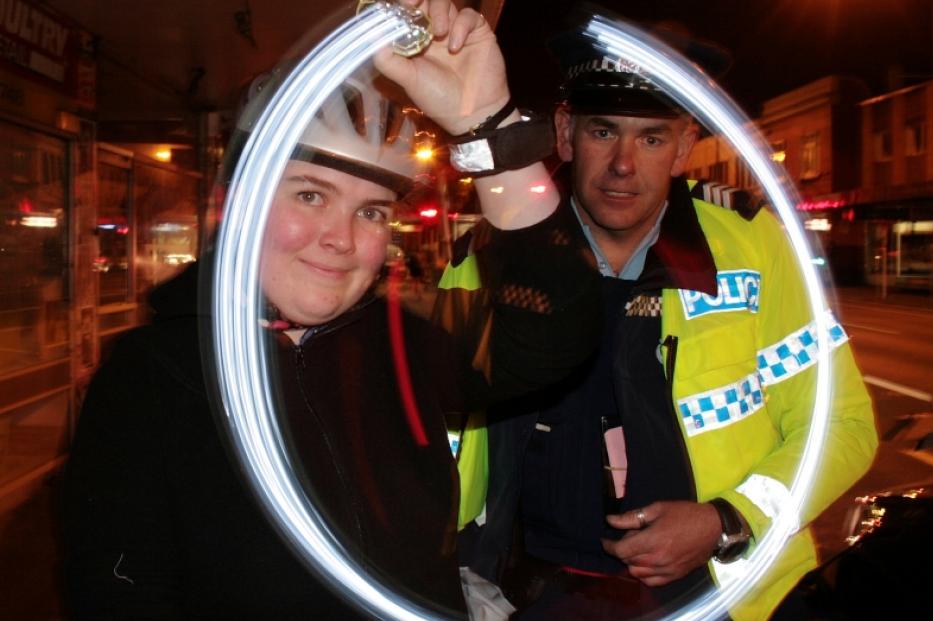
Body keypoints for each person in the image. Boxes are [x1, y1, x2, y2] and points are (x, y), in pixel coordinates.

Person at [63, 3, 599, 619]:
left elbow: (556, 328)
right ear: (237, 205)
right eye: (311, 196)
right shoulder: (150, 376)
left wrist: (489, 128)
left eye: (370, 211)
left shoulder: (403, 341)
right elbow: (119, 592)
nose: (342, 239)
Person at [436, 24, 879, 621]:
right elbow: (436, 440)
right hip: (533, 599)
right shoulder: (486, 258)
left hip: (725, 596)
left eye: (651, 138)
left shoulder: (752, 247)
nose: (623, 165)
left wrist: (728, 519)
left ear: (684, 146)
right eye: (603, 132)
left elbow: (844, 425)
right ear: (565, 135)